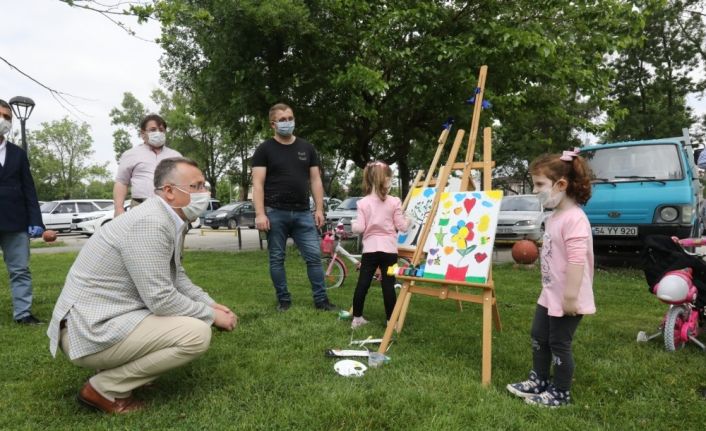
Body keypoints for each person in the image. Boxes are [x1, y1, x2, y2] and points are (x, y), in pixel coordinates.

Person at [47, 157, 237, 414]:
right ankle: (105, 388)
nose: (205, 193)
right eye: (197, 186)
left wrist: (210, 303)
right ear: (169, 191)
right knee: (196, 334)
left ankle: (114, 370)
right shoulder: (151, 223)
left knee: (192, 321)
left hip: (100, 319)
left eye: (204, 185)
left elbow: (176, 275)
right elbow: (161, 299)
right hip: (89, 331)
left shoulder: (165, 217)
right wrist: (211, 316)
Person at [506, 149, 595, 407]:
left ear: (561, 185)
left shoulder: (575, 219)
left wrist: (570, 297)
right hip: (549, 292)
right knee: (538, 335)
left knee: (559, 343)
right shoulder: (555, 216)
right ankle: (540, 379)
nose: (535, 190)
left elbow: (577, 261)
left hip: (568, 295)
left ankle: (560, 392)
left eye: (539, 184)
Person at [251, 103, 337, 312]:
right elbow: (257, 184)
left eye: (290, 118)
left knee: (314, 257)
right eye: (282, 120)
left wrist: (319, 209)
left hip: (302, 213)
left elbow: (315, 180)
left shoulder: (307, 148)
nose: (287, 122)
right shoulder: (264, 150)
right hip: (275, 213)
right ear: (273, 124)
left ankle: (322, 300)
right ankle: (284, 300)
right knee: (277, 259)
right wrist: (260, 213)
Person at [349, 161, 410, 329]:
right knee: (388, 284)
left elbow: (359, 228)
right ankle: (392, 320)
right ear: (385, 179)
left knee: (363, 283)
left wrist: (353, 224)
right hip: (389, 250)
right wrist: (410, 220)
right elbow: (402, 226)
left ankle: (357, 318)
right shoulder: (394, 201)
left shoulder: (362, 203)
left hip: (370, 250)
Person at [0, 99, 45, 325]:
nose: (4, 120)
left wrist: (35, 220)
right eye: (1, 115)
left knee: (20, 270)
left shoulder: (18, 154)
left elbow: (29, 189)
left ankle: (23, 313)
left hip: (16, 221)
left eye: (8, 117)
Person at [113, 114, 181, 217]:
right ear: (143, 134)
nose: (158, 133)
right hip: (140, 207)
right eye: (153, 130)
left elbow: (184, 183)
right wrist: (118, 208)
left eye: (161, 130)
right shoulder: (130, 154)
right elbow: (122, 182)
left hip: (170, 208)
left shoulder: (176, 156)